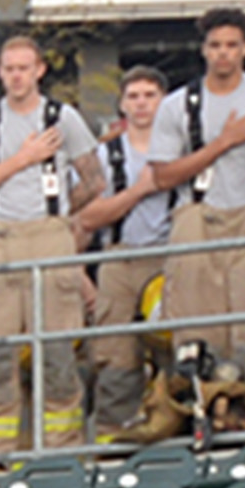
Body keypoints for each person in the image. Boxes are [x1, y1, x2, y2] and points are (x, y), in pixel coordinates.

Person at [0, 34, 99, 456]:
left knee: (57, 353)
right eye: (8, 68)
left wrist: (59, 212)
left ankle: (60, 450)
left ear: (40, 70)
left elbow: (94, 180)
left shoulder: (63, 117)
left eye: (24, 68)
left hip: (49, 235)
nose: (16, 76)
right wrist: (22, 159)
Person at [148, 7, 245, 404]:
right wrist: (223, 142)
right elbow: (163, 176)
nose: (223, 54)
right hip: (197, 215)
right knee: (198, 331)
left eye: (231, 45)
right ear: (204, 50)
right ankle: (200, 413)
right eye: (215, 46)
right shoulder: (178, 105)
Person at [76, 68, 174, 440]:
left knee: (176, 349)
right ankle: (112, 439)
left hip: (172, 257)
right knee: (115, 356)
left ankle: (173, 429)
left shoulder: (181, 149)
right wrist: (139, 191)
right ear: (121, 103)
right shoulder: (105, 154)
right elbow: (87, 216)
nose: (142, 103)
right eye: (133, 96)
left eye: (150, 95)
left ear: (163, 101)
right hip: (120, 258)